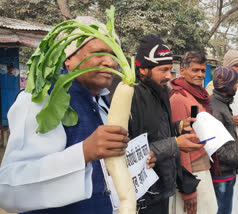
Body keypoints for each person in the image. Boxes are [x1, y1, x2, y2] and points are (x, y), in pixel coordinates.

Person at [0, 16, 156, 214]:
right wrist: (83, 152)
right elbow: (7, 189)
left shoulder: (103, 101)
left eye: (114, 54)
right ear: (69, 58)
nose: (110, 62)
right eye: (98, 52)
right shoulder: (40, 99)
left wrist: (137, 162)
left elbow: (108, 168)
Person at [129, 34, 204, 214]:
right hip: (144, 193)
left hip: (163, 186)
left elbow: (157, 131)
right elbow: (132, 149)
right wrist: (175, 144)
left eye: (170, 69)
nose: (168, 76)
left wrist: (178, 127)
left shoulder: (160, 91)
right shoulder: (131, 96)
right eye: (163, 70)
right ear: (143, 70)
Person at [169, 51, 217, 214]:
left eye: (203, 71)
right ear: (182, 71)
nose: (200, 75)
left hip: (203, 163)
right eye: (195, 70)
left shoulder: (197, 95)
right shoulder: (178, 98)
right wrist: (188, 189)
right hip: (192, 171)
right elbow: (180, 145)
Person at [209, 66, 238, 214]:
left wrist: (236, 139)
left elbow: (224, 136)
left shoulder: (222, 103)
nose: (237, 86)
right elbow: (216, 148)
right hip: (221, 171)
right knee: (222, 210)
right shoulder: (217, 109)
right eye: (235, 83)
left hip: (226, 170)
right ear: (227, 85)